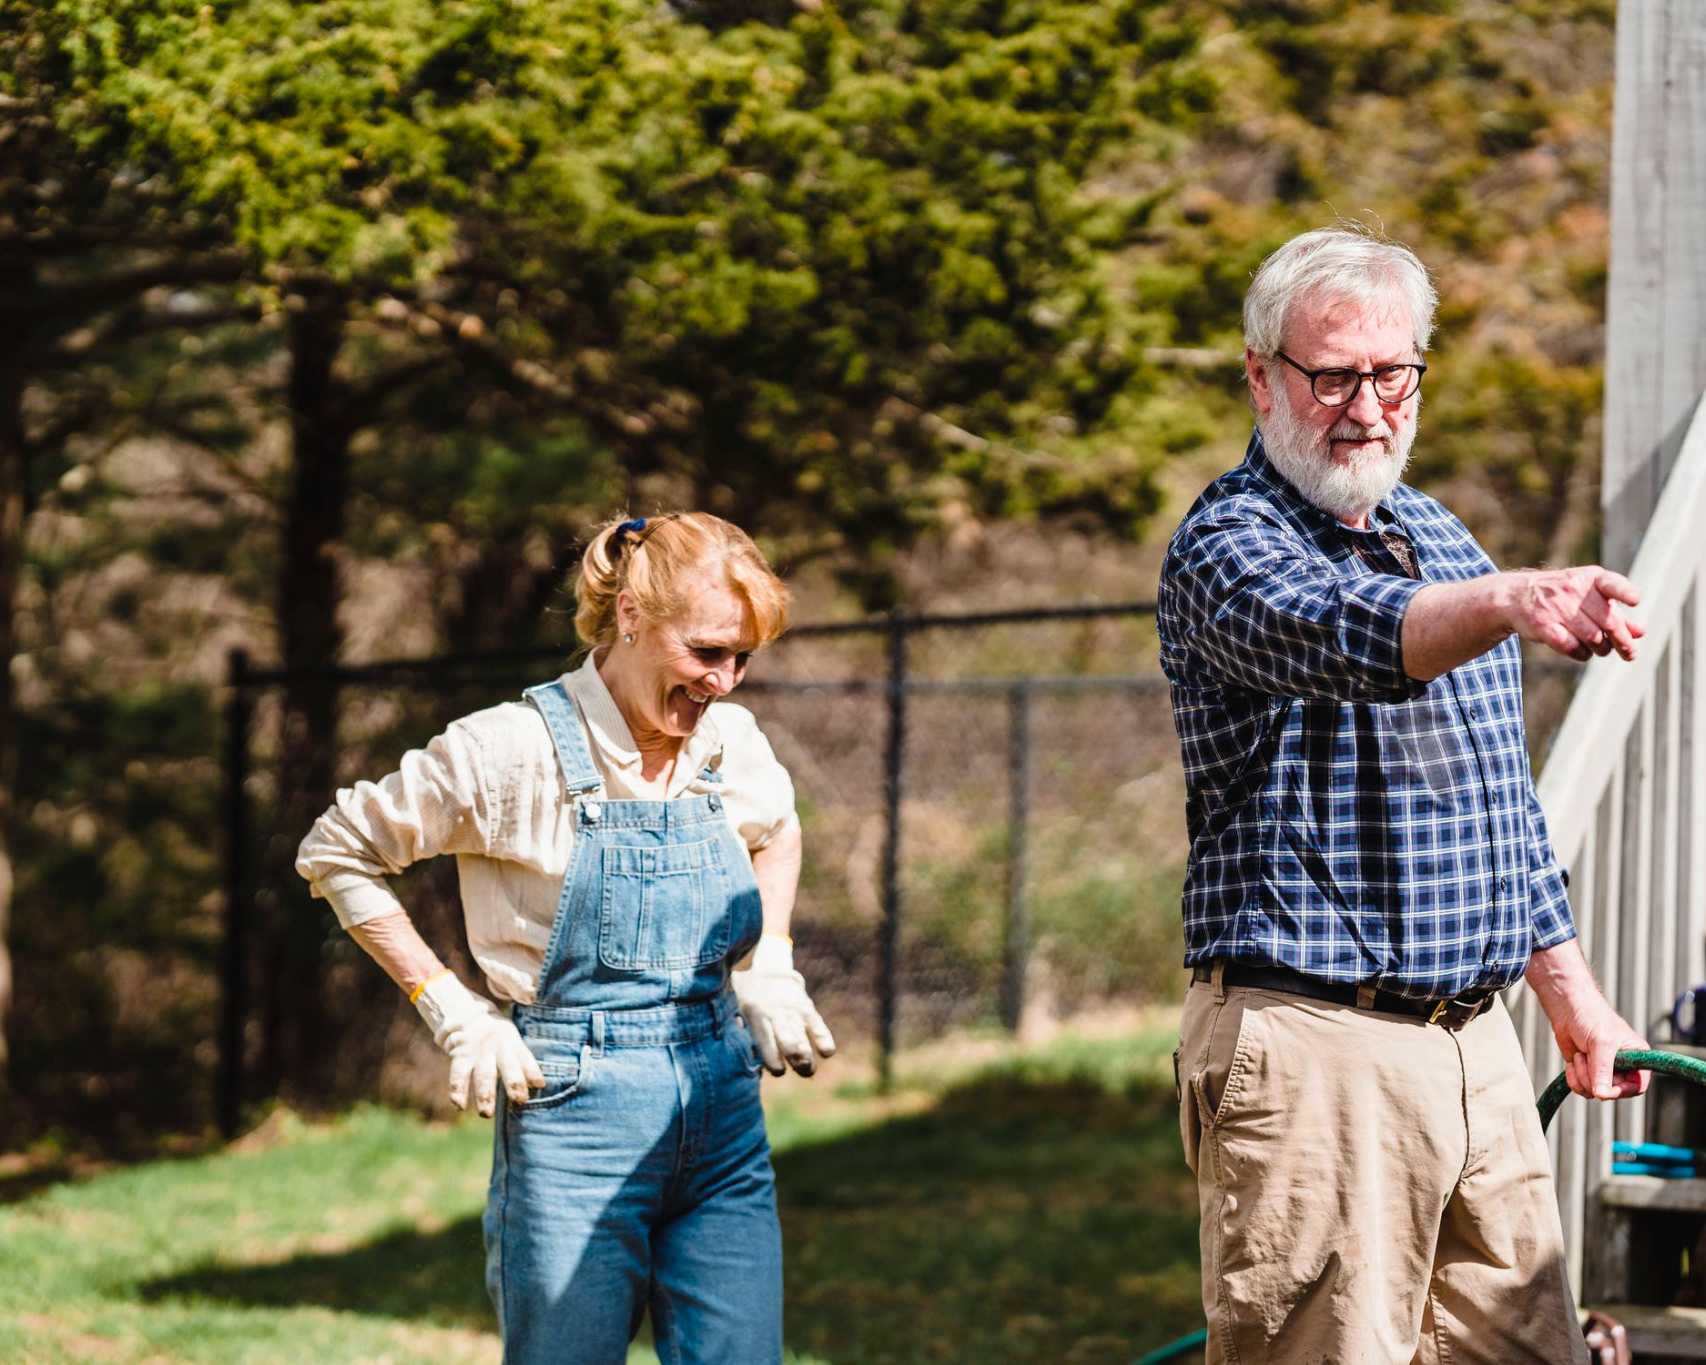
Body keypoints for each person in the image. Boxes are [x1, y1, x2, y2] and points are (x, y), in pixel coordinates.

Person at [1156, 224, 1649, 1365]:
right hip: (1314, 1049)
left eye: (1393, 374)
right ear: (1261, 377)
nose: (1366, 408)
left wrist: (1572, 1001)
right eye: (1332, 376)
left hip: (1476, 1046)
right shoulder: (1225, 544)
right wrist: (1510, 599)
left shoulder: (1439, 533)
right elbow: (1347, 635)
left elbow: (1500, 804)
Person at [296, 511, 836, 1365]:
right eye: (706, 651)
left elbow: (777, 828)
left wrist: (770, 959)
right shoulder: (509, 750)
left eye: (742, 658)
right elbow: (338, 851)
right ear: (631, 614)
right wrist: (449, 1007)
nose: (725, 681)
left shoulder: (728, 741)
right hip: (573, 1116)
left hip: (722, 1108)